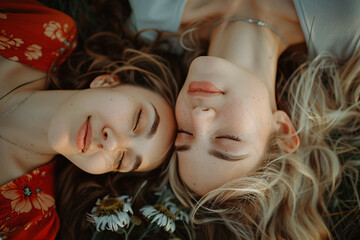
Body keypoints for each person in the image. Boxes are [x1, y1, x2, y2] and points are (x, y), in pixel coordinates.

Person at [127, 0, 360, 239]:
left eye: (184, 133)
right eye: (227, 138)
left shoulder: (152, 17)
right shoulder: (347, 24)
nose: (198, 116)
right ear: (282, 129)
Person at [0, 0, 181, 239]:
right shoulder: (45, 33)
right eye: (137, 121)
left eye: (122, 160)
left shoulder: (28, 223)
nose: (111, 144)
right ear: (107, 81)